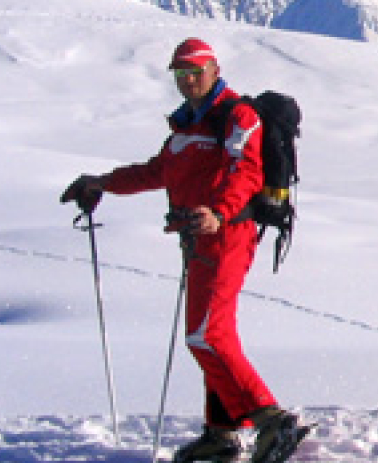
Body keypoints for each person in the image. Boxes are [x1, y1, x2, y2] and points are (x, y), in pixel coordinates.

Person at [60, 38, 304, 463]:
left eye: (195, 71)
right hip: (198, 237)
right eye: (180, 73)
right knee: (212, 334)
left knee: (206, 334)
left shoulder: (236, 115)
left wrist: (219, 213)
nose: (188, 80)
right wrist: (100, 183)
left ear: (215, 69)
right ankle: (223, 433)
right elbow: (156, 171)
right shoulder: (188, 124)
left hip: (226, 234)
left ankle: (270, 420)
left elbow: (245, 172)